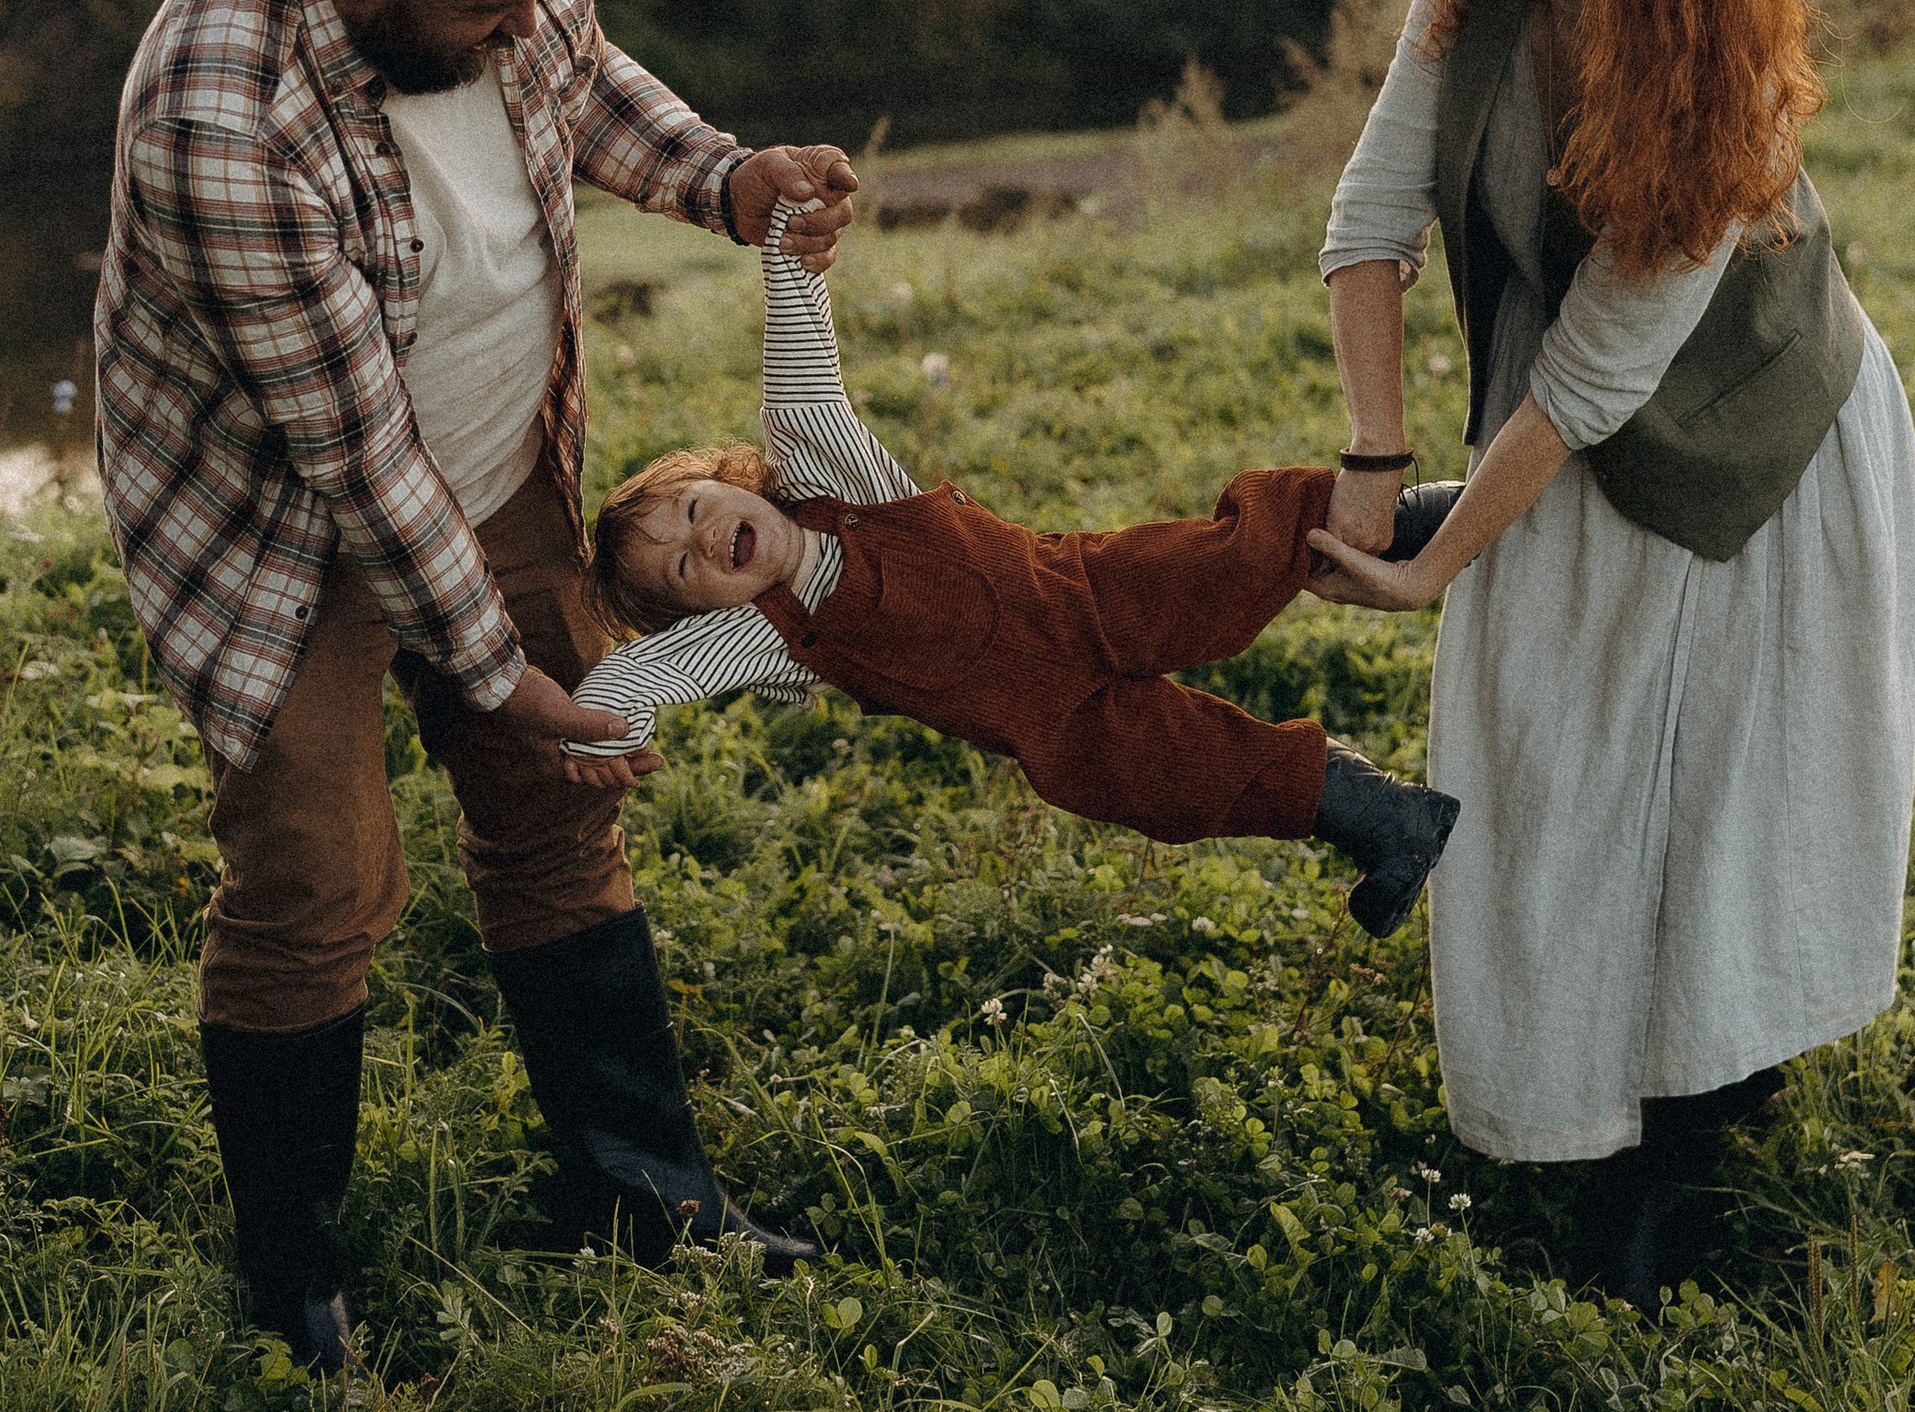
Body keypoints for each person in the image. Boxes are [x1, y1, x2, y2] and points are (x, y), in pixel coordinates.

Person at [95, 0, 854, 1368]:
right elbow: (359, 456)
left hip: (505, 452)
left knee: (560, 800)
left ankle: (643, 1196)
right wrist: (491, 667)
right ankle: (294, 1283)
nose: (521, 30)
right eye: (482, 11)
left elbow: (579, 76)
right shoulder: (223, 114)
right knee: (315, 875)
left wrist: (728, 181)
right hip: (285, 527)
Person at [1306, 0, 1915, 1302]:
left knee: (1723, 791)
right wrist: (1380, 465)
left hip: (1766, 447)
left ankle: (1684, 1142)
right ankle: (1568, 1088)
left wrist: (1435, 566)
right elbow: (1366, 223)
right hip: (1576, 409)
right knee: (1550, 752)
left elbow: (1590, 381)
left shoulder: (1721, 93)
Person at [567, 205, 1460, 923]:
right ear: (706, 611)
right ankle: (1381, 816)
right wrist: (605, 737)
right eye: (684, 571)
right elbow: (638, 674)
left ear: (727, 481)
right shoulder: (767, 636)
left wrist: (788, 233)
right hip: (1055, 727)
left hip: (1083, 592)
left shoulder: (831, 477)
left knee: (1231, 561)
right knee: (1176, 778)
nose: (704, 539)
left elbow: (799, 367)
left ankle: (1406, 518)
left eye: (692, 509)